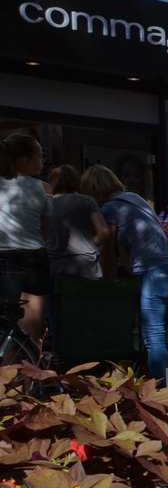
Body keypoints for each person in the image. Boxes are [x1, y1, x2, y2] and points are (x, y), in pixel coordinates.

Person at [86, 164, 168, 382]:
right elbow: (125, 251)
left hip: (152, 273)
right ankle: (161, 385)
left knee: (153, 338)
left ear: (95, 190)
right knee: (159, 336)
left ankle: (160, 394)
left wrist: (106, 283)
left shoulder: (110, 208)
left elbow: (109, 254)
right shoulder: (136, 200)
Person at [0, 134, 52, 348]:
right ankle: (31, 379)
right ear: (24, 160)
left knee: (3, 324)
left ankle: (6, 376)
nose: (42, 163)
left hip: (2, 260)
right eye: (39, 157)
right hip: (32, 258)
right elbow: (45, 230)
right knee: (32, 324)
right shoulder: (43, 188)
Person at [45, 164, 112, 281]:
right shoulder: (87, 201)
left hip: (55, 267)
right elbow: (104, 232)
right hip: (87, 267)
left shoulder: (46, 203)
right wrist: (89, 245)